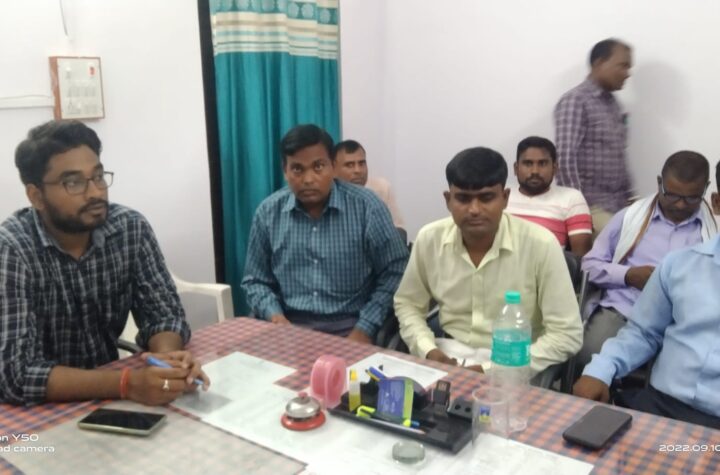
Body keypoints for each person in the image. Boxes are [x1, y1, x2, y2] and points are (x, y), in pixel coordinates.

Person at [0, 120, 208, 406]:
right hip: (36, 408)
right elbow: (15, 374)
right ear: (36, 196)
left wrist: (168, 361)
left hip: (109, 396)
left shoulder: (129, 229)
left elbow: (164, 316)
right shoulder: (12, 250)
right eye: (73, 183)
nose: (96, 192)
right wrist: (126, 383)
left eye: (98, 176)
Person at [393, 147, 582, 376]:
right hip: (447, 357)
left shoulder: (541, 244)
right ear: (448, 200)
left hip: (516, 363)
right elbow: (408, 304)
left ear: (505, 198)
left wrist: (490, 370)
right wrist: (428, 350)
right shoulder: (429, 239)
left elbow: (566, 334)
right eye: (463, 198)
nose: (474, 210)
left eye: (486, 198)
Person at [573, 168, 720, 428]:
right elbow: (644, 332)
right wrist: (602, 369)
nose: (680, 204)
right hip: (662, 404)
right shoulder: (679, 264)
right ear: (717, 203)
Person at [242, 125, 409, 344]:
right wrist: (275, 317)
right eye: (297, 169)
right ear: (285, 170)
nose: (308, 179)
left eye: (318, 166)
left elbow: (396, 271)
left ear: (333, 166)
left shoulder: (367, 207)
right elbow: (255, 280)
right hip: (287, 326)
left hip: (350, 327)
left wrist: (365, 327)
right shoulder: (268, 213)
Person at [577, 151, 716, 369]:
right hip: (625, 311)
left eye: (691, 198)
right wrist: (628, 275)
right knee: (589, 355)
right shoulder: (629, 217)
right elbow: (588, 266)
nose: (680, 205)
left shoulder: (713, 231)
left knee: (696, 369)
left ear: (705, 189)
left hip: (681, 322)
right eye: (672, 195)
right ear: (660, 183)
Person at [555, 38, 633, 234]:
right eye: (623, 66)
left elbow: (619, 156)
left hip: (617, 204)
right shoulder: (576, 101)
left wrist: (631, 199)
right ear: (599, 63)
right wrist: (577, 211)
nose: (627, 73)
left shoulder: (614, 104)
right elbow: (564, 158)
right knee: (623, 242)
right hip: (590, 206)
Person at [506, 136, 592, 257]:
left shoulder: (572, 198)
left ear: (554, 168)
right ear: (516, 169)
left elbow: (581, 259)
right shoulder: (502, 197)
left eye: (542, 163)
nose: (535, 171)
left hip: (548, 267)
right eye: (528, 163)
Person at [333, 139, 405, 229]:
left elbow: (399, 228)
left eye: (361, 163)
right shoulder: (328, 197)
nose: (358, 170)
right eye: (350, 165)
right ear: (333, 169)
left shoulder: (382, 189)